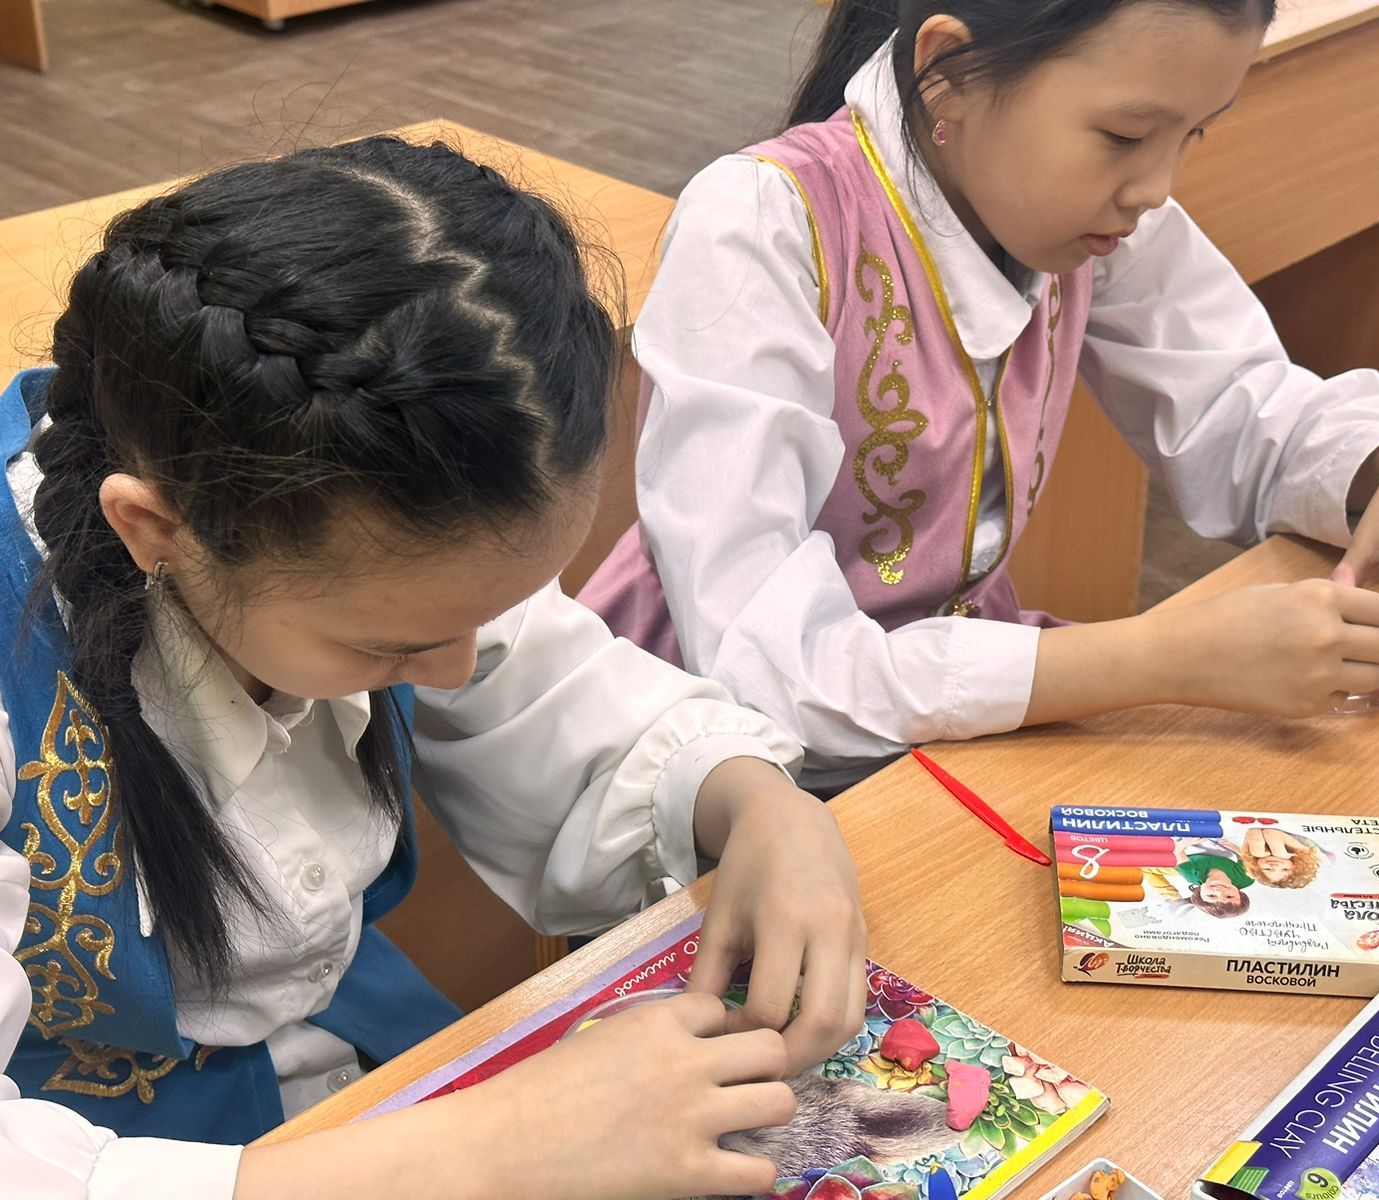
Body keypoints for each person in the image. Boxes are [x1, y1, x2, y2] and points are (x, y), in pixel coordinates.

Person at [2, 136, 867, 1199]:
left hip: (361, 1075)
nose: (453, 669)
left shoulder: (367, 526)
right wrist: (494, 1152)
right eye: (392, 648)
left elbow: (557, 692)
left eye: (487, 615)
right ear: (155, 530)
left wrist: (761, 805)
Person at [580, 0, 1379, 790]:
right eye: (1126, 137)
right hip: (723, 765)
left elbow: (1241, 403)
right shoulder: (761, 225)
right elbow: (769, 669)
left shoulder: (1096, 216)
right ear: (948, 71)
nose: (1157, 188)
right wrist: (1164, 656)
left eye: (1195, 134)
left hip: (945, 735)